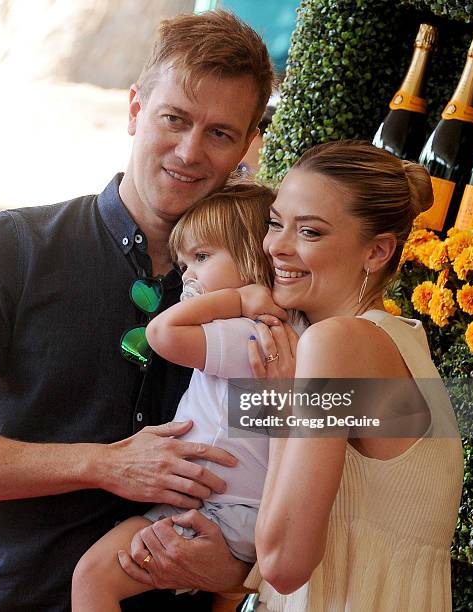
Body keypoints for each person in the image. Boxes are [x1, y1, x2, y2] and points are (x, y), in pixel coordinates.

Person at [0, 11, 276, 611]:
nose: (189, 151)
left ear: (249, 145)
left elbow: (350, 429)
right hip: (12, 597)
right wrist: (104, 464)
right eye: (174, 119)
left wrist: (238, 570)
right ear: (134, 110)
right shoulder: (11, 247)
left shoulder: (272, 280)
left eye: (220, 133)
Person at [239, 140, 463, 611]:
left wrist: (283, 406)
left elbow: (283, 563)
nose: (276, 246)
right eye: (276, 223)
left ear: (378, 251)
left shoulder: (336, 344)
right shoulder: (403, 339)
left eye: (311, 232)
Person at [71, 181, 298, 612]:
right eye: (183, 263)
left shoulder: (247, 332)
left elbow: (161, 333)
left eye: (202, 257)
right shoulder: (282, 332)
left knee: (92, 578)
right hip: (239, 512)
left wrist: (237, 298)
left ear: (253, 255)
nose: (187, 275)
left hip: (213, 509)